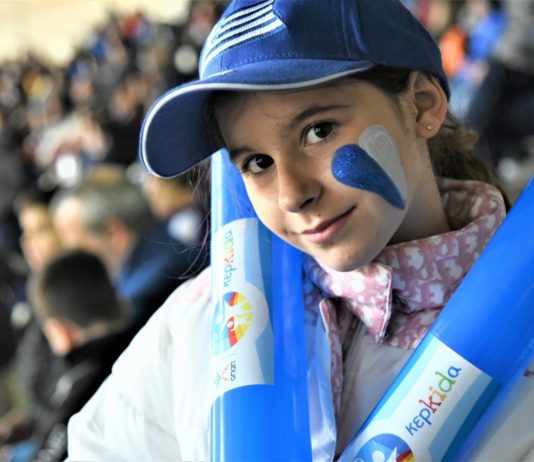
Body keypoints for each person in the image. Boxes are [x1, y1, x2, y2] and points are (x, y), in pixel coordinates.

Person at [67, 0, 534, 460]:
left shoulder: (522, 331)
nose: (292, 195)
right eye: (258, 162)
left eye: (319, 131)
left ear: (421, 106)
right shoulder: (206, 318)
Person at [2, 249, 136, 462]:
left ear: (61, 332)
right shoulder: (144, 335)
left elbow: (50, 452)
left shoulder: (83, 384)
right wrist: (35, 422)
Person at [50, 164, 208, 328]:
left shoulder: (144, 295)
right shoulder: (163, 246)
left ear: (114, 233)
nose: (67, 250)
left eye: (73, 239)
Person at [466, 0, 534, 171]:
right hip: (504, 63)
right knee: (475, 127)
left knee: (489, 126)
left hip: (521, 69)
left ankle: (497, 160)